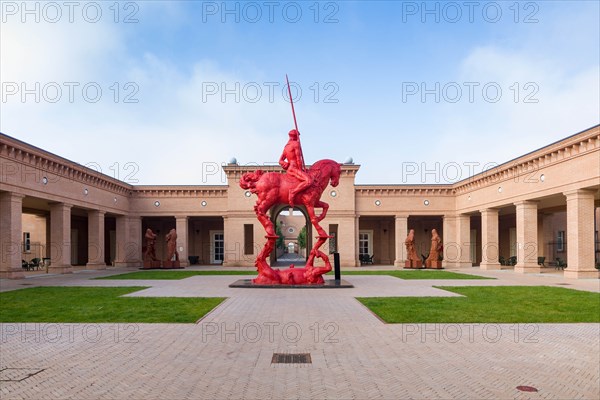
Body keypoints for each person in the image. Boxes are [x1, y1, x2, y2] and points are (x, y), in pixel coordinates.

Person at [279, 129, 311, 206]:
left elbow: (280, 160)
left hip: (290, 168)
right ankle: (293, 192)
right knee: (308, 180)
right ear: (296, 136)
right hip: (295, 168)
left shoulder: (286, 146)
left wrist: (285, 164)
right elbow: (298, 159)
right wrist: (301, 170)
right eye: (298, 136)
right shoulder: (296, 144)